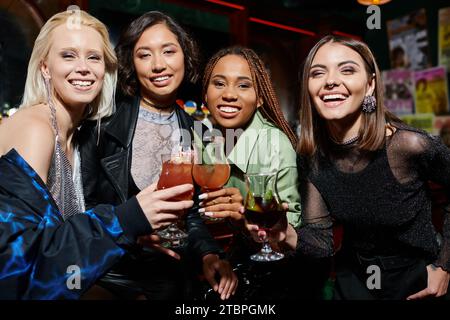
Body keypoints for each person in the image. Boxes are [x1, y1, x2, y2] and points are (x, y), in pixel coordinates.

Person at [0, 10, 194, 300]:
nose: (83, 68)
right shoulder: (35, 129)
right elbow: (14, 268)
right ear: (44, 67)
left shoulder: (76, 134)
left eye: (93, 57)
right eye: (68, 55)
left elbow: (65, 261)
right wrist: (124, 220)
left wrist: (129, 236)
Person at [259, 35, 450, 300]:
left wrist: (445, 265)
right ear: (309, 87)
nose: (331, 81)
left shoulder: (408, 144)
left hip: (416, 280)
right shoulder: (312, 157)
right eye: (318, 73)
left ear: (370, 85)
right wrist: (286, 234)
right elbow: (321, 243)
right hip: (354, 280)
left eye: (347, 69)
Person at [79, 11, 237, 300]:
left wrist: (208, 254)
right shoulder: (102, 124)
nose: (159, 65)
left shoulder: (198, 132)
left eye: (168, 51)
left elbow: (192, 217)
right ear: (131, 63)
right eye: (144, 55)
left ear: (184, 56)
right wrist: (128, 232)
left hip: (173, 277)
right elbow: (81, 207)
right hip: (112, 273)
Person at [198, 47, 328, 300]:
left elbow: (293, 239)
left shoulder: (274, 145)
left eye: (243, 86)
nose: (229, 95)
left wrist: (245, 218)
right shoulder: (205, 139)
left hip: (282, 277)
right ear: (205, 92)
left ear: (259, 99)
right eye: (219, 83)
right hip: (231, 259)